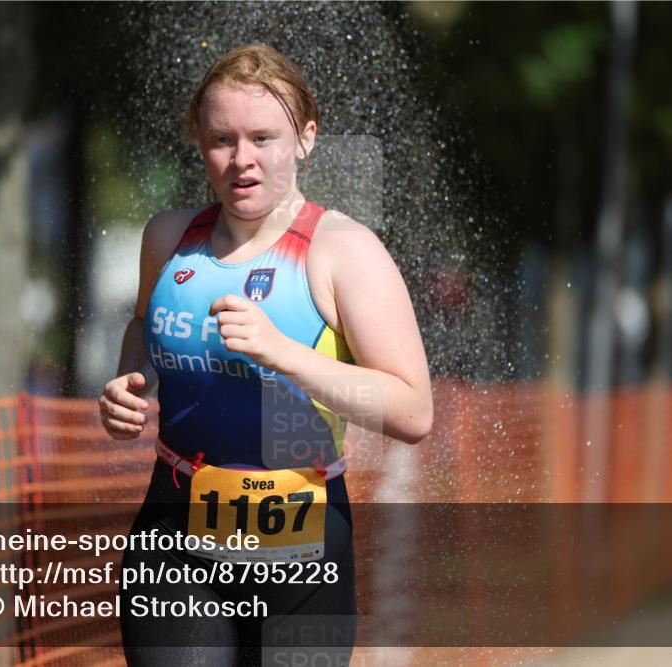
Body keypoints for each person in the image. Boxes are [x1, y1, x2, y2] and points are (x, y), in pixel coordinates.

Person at [101, 43, 432, 667]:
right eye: (221, 140)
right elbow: (143, 325)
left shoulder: (343, 250)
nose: (242, 160)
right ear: (199, 142)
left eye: (263, 138)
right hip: (175, 536)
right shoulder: (170, 237)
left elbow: (413, 412)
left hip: (302, 549)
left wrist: (284, 353)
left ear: (305, 139)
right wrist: (130, 382)